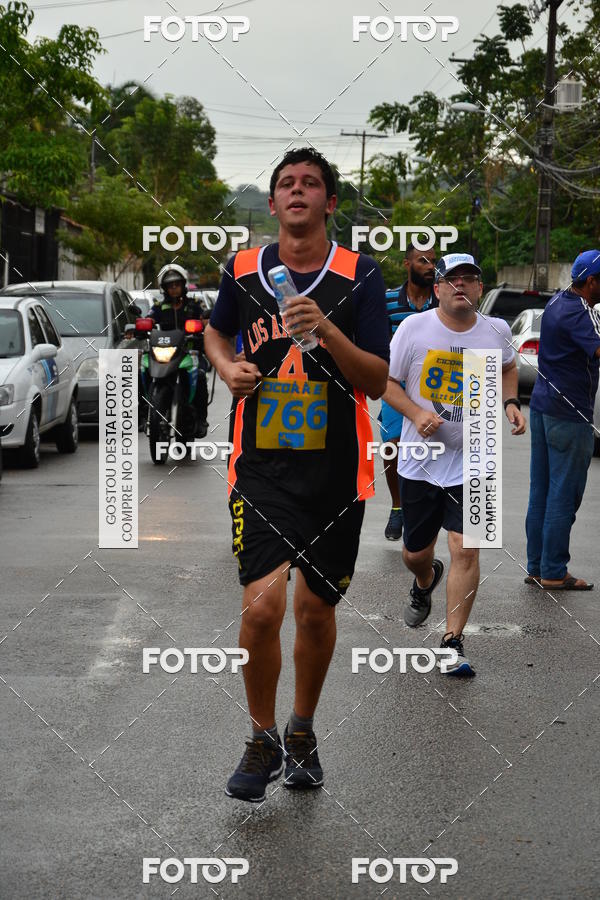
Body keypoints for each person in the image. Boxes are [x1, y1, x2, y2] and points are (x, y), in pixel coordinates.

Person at [205, 147, 389, 802]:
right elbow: (215, 334)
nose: (298, 191)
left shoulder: (360, 276)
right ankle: (261, 737)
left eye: (311, 183)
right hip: (261, 466)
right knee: (261, 607)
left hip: (336, 470)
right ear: (275, 202)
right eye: (286, 183)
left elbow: (374, 378)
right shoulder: (244, 269)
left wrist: (329, 335)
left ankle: (303, 731)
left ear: (330, 202)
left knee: (314, 610)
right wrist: (229, 370)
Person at [384, 252, 526, 675]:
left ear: (480, 288)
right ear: (439, 288)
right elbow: (386, 385)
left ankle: (452, 642)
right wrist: (415, 414)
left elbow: (509, 367)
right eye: (453, 279)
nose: (461, 286)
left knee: (466, 547)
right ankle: (425, 580)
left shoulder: (496, 330)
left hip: (477, 456)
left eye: (470, 279)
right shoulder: (414, 328)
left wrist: (511, 402)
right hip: (421, 461)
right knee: (415, 553)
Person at [525, 250, 600, 591]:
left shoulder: (556, 301)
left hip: (543, 406)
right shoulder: (581, 312)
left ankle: (538, 566)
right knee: (564, 494)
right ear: (591, 282)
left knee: (541, 491)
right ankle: (554, 570)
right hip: (569, 413)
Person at [380, 243, 438, 540]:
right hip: (395, 383)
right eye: (423, 260)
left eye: (434, 261)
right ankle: (398, 506)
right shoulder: (388, 300)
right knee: (392, 442)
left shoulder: (442, 301)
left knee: (432, 445)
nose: (430, 266)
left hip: (434, 384)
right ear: (407, 264)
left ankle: (422, 505)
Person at [148, 264, 209, 437]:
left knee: (201, 376)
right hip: (166, 355)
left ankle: (201, 419)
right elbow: (149, 319)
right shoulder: (160, 307)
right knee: (143, 369)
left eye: (177, 284)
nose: (174, 288)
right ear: (165, 288)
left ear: (183, 285)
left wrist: (207, 322)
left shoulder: (194, 305)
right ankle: (145, 409)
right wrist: (138, 327)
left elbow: (206, 320)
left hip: (191, 353)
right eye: (170, 285)